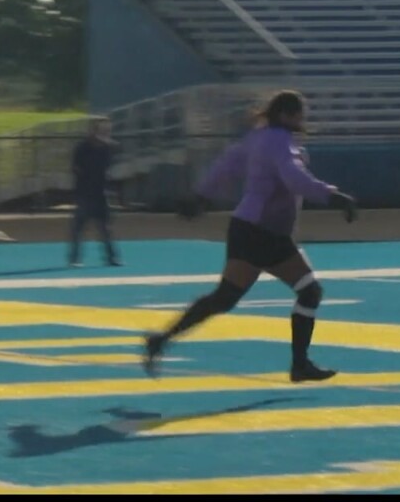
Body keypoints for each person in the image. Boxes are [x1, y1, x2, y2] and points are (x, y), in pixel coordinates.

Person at [143, 90, 358, 383]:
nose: (301, 120)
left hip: (248, 228)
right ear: (285, 115)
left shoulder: (256, 138)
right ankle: (299, 364)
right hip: (264, 232)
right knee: (309, 291)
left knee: (225, 298)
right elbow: (294, 178)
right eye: (298, 114)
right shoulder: (280, 141)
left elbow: (225, 166)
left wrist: (201, 196)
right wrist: (334, 197)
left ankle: (162, 339)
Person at [68, 117, 121, 267]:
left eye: (107, 131)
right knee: (78, 228)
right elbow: (76, 168)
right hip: (85, 193)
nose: (104, 134)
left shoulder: (106, 149)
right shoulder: (82, 148)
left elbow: (109, 165)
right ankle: (75, 258)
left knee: (106, 229)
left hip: (101, 193)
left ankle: (111, 257)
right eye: (101, 130)